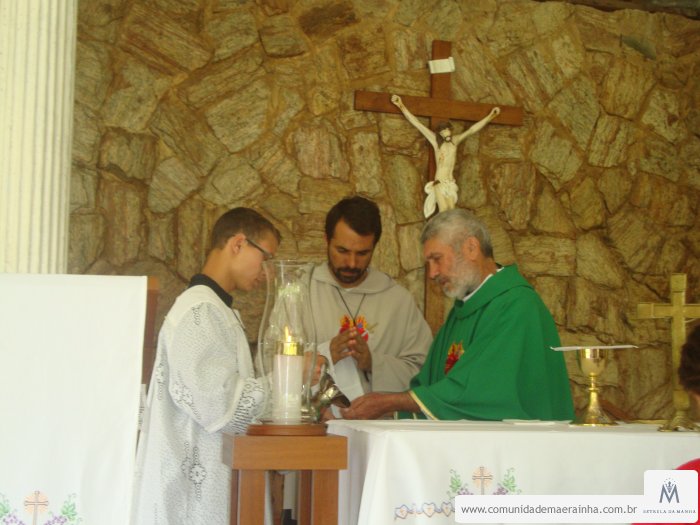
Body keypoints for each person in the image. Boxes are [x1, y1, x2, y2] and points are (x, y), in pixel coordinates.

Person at [341, 208, 575, 421]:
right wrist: (388, 406)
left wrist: (389, 402)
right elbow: (430, 385)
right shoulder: (461, 313)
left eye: (437, 259)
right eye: (429, 263)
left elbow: (479, 391)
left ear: (471, 248)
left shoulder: (516, 307)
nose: (432, 273)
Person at [131, 207, 280, 525]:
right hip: (191, 497)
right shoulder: (200, 311)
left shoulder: (214, 308)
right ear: (238, 243)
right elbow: (220, 408)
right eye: (265, 258)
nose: (267, 273)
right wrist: (286, 379)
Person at [309, 196, 433, 404]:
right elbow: (273, 362)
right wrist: (325, 354)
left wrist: (373, 363)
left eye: (363, 253)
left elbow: (424, 374)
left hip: (378, 422)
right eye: (342, 251)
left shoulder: (398, 301)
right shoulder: (302, 292)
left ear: (375, 247)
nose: (351, 263)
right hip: (315, 421)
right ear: (326, 240)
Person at [391, 94, 500, 218]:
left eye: (446, 131)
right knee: (444, 212)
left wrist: (491, 116)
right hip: (440, 182)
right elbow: (417, 124)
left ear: (450, 130)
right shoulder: (436, 142)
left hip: (450, 183)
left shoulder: (455, 141)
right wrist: (401, 105)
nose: (445, 133)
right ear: (440, 134)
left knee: (452, 213)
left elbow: (472, 130)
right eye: (442, 132)